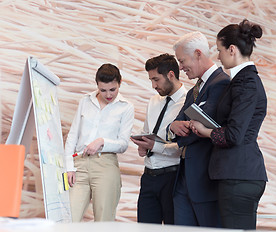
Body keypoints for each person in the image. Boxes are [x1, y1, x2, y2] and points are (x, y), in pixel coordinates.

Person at [190, 19, 268, 230]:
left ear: (231, 49)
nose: (218, 56)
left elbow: (233, 134)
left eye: (219, 50)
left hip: (238, 174)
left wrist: (206, 131)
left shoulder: (246, 82)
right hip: (239, 174)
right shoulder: (243, 80)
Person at [168, 31, 230, 227]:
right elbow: (179, 124)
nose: (180, 67)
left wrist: (182, 128)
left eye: (182, 60)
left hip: (204, 181)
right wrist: (173, 126)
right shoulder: (196, 88)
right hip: (184, 180)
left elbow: (206, 126)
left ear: (197, 53)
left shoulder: (221, 83)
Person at [64, 63, 134, 222]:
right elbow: (73, 135)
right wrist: (69, 167)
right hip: (79, 165)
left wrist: (102, 142)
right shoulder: (85, 101)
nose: (108, 95)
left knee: (104, 222)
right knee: (69, 219)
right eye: (103, 90)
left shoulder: (126, 107)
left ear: (120, 83)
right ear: (97, 85)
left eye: (113, 89)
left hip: (106, 165)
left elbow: (123, 144)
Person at [131, 54, 187, 224]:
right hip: (148, 177)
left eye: (156, 79)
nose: (153, 85)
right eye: (151, 80)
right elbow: (147, 131)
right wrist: (143, 145)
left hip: (173, 177)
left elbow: (184, 146)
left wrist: (155, 146)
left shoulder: (188, 101)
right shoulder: (153, 100)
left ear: (171, 75)